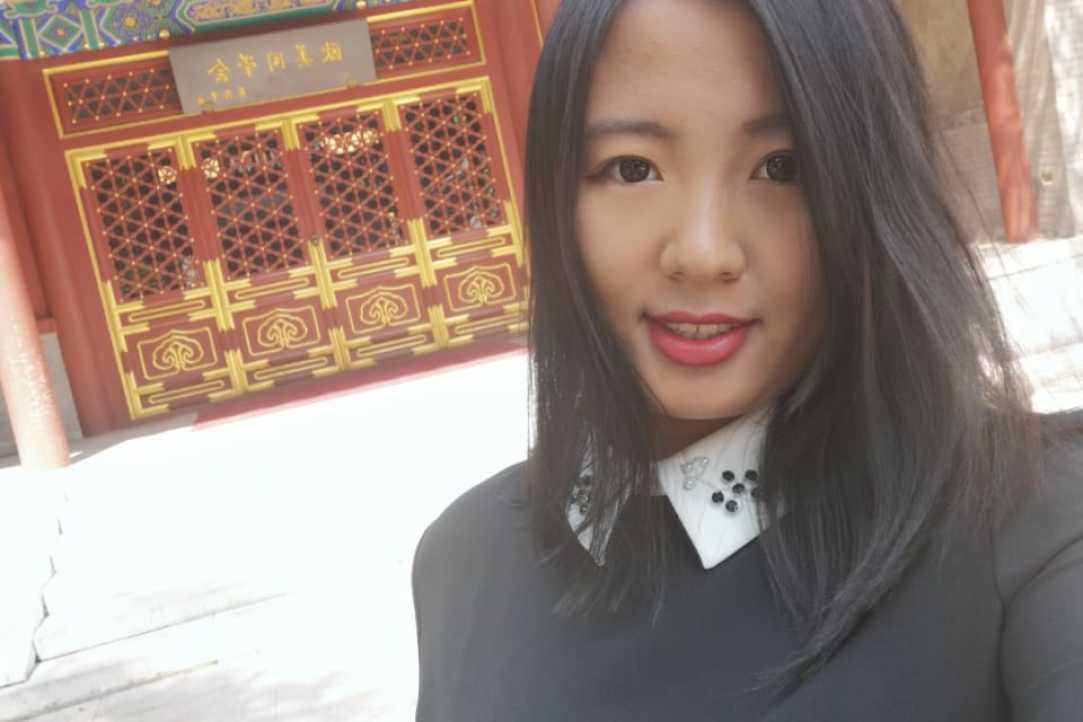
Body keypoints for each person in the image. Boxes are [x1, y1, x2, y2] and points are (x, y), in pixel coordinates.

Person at [411, 0, 1083, 719]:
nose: (703, 254)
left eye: (782, 167)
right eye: (632, 168)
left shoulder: (1032, 518)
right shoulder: (465, 558)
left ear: (875, 189)